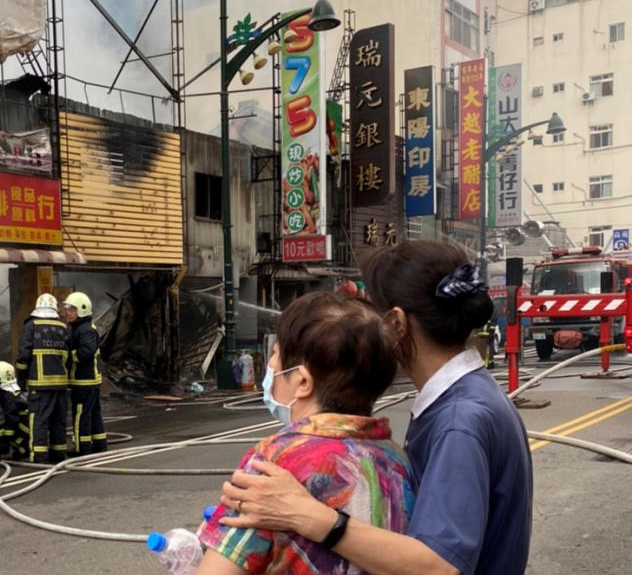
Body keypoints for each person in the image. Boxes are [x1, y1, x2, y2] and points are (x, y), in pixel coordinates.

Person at [218, 241, 533, 575]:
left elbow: (439, 566)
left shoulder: (459, 419)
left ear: (396, 322)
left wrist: (306, 514)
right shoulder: (469, 398)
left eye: (373, 313)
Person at [196, 292, 416, 575]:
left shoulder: (275, 461)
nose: (271, 367)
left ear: (302, 381)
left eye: (275, 356)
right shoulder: (397, 459)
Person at [16, 293, 70, 464]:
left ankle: (39, 456)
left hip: (40, 385)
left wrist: (21, 381)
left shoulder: (31, 326)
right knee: (58, 421)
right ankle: (59, 454)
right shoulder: (63, 328)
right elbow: (68, 357)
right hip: (61, 385)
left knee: (39, 420)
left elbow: (24, 356)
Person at [63, 292, 107, 456]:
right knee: (93, 413)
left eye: (71, 309)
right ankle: (100, 443)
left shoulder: (85, 330)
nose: (67, 312)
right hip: (88, 380)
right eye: (67, 308)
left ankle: (82, 448)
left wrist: (68, 356)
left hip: (84, 381)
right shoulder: (81, 327)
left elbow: (86, 352)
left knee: (81, 415)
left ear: (81, 310)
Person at [0, 361, 30, 461]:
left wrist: (3, 442)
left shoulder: (6, 395)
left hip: (24, 429)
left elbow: (12, 419)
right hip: (31, 428)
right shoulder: (17, 389)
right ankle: (23, 447)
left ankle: (22, 448)